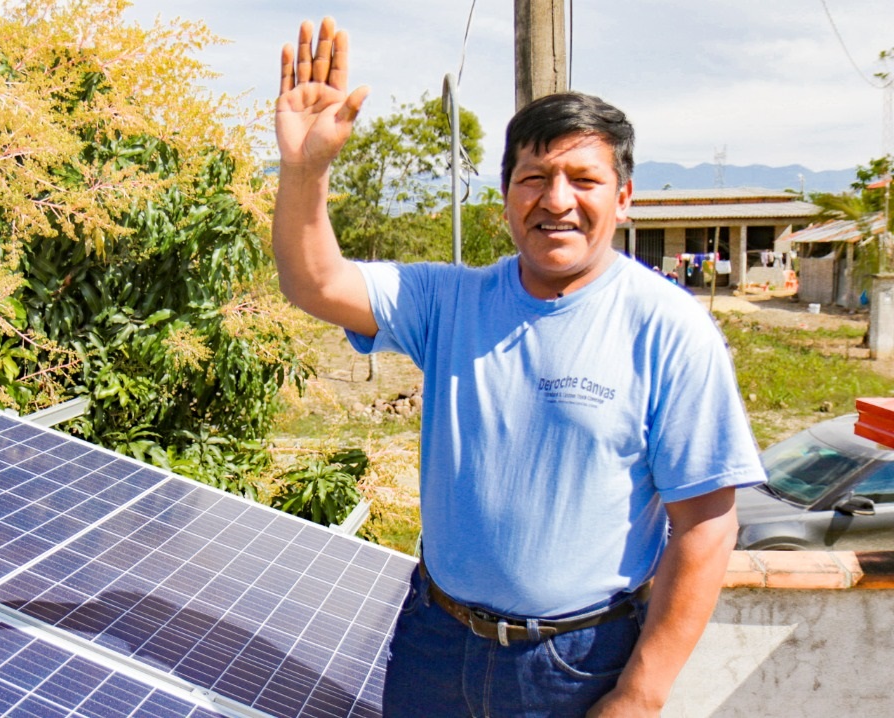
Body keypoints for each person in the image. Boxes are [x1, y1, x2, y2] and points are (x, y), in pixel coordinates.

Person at [273, 17, 765, 718]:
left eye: (584, 179)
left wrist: (640, 694)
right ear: (506, 195)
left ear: (624, 198)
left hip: (575, 664)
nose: (556, 200)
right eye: (534, 178)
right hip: (435, 643)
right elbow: (315, 282)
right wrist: (306, 169)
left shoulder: (668, 328)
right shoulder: (449, 301)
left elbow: (707, 525)